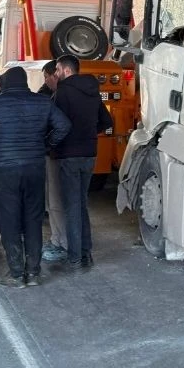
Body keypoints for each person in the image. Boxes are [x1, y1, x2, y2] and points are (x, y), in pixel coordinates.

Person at [0, 67, 70, 288]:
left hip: (5, 170)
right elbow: (64, 125)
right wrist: (46, 144)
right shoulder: (42, 101)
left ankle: (17, 274)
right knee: (33, 220)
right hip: (34, 169)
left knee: (9, 222)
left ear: (5, 82)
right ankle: (34, 273)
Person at [51, 54, 113, 268]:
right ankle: (86, 254)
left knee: (71, 207)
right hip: (89, 153)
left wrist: (51, 144)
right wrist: (88, 134)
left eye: (57, 70)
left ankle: (74, 258)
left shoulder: (63, 92)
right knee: (82, 205)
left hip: (69, 155)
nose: (55, 74)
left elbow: (58, 124)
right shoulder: (93, 91)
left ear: (67, 70)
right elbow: (107, 121)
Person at [38, 60, 68, 262]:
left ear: (54, 75)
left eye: (46, 77)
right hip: (81, 155)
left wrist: (49, 143)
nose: (46, 82)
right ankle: (70, 241)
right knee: (74, 202)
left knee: (56, 201)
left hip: (57, 155)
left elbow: (61, 126)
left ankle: (61, 242)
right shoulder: (87, 93)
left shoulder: (57, 97)